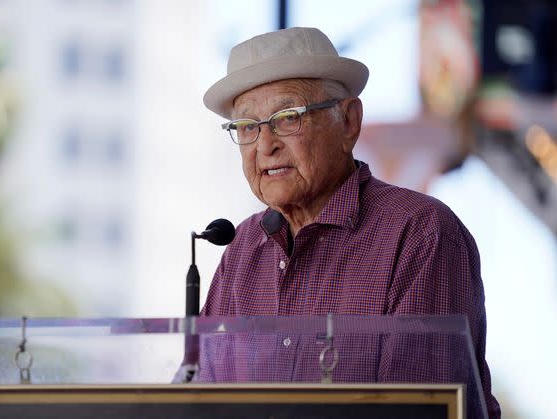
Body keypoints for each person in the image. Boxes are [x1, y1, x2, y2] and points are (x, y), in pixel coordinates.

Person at [200, 27, 500, 418]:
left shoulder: (420, 232)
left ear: (349, 122)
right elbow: (195, 398)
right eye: (246, 127)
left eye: (287, 118)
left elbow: (419, 411)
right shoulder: (241, 251)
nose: (265, 144)